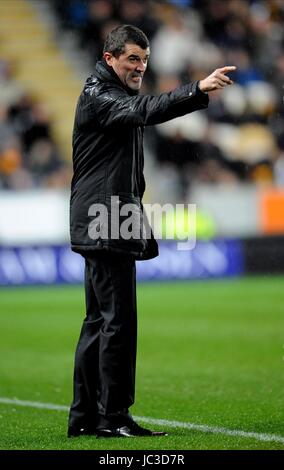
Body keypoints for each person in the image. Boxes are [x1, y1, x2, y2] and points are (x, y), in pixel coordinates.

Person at [68, 24, 236, 438]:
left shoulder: (109, 95)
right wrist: (196, 89)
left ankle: (85, 417)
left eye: (144, 60)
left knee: (98, 321)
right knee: (118, 321)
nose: (140, 67)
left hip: (107, 216)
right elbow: (147, 111)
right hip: (106, 218)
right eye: (132, 59)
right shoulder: (100, 95)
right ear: (110, 59)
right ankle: (113, 418)